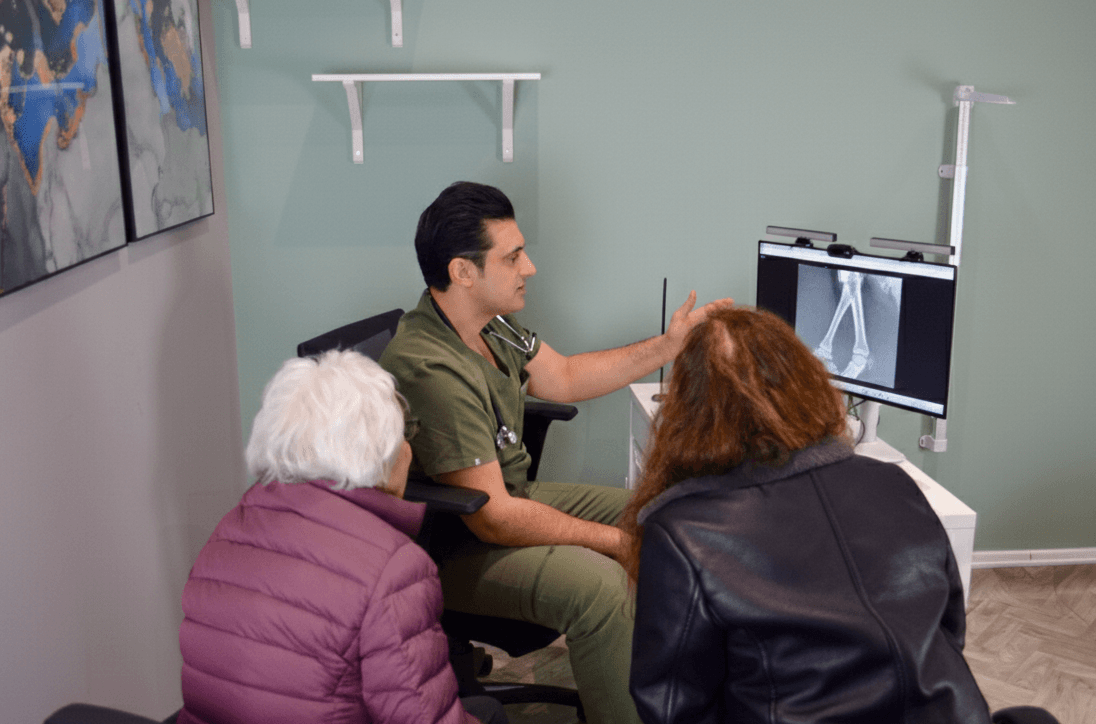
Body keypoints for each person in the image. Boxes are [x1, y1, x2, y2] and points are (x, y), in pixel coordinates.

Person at [379, 181, 732, 724]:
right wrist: (613, 543)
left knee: (657, 514)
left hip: (505, 497)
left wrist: (669, 346)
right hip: (452, 545)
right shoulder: (429, 365)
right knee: (602, 587)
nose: (531, 267)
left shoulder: (490, 326)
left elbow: (563, 377)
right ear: (462, 271)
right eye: (514, 256)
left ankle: (666, 693)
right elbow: (492, 517)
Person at [618, 306, 1061, 724]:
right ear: (807, 382)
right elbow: (949, 631)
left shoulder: (681, 533)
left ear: (687, 411)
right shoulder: (893, 482)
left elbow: (672, 707)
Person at [176, 350, 505, 724]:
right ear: (377, 453)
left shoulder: (227, 532)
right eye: (403, 434)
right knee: (488, 713)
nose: (409, 450)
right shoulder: (394, 568)